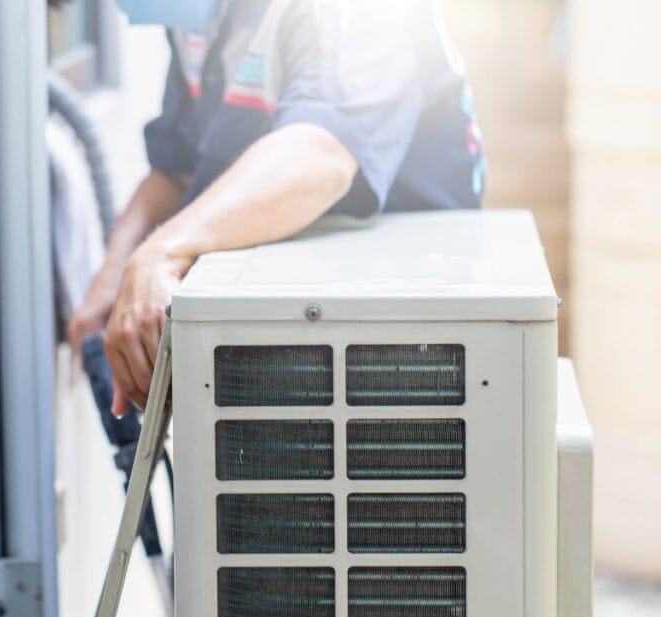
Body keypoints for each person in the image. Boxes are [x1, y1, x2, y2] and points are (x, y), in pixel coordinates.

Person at [66, 0, 485, 418]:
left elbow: (321, 154)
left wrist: (160, 254)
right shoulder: (197, 19)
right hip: (286, 332)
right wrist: (116, 274)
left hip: (400, 342)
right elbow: (177, 170)